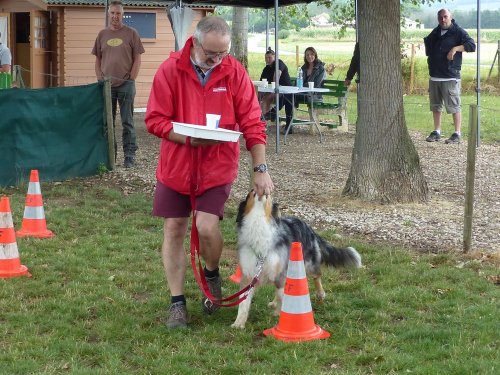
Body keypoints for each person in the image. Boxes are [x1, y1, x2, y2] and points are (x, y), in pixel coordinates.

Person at [145, 16, 274, 329]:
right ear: (195, 44)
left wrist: (260, 168)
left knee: (205, 226)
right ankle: (177, 303)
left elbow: (253, 123)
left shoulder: (234, 73)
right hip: (176, 168)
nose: (218, 60)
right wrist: (187, 138)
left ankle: (212, 273)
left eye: (223, 53)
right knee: (175, 227)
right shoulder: (171, 70)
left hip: (216, 168)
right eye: (211, 54)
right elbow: (155, 120)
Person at [92, 0, 145, 168]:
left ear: (123, 15)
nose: (115, 16)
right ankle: (110, 156)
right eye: (113, 13)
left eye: (118, 13)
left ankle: (129, 156)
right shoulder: (102, 35)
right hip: (106, 86)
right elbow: (98, 59)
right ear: (109, 14)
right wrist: (100, 77)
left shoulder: (131, 33)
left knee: (127, 121)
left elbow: (137, 58)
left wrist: (131, 78)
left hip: (126, 85)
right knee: (108, 122)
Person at [424, 9, 475, 144]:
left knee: (454, 106)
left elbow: (471, 45)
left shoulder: (458, 32)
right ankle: (437, 131)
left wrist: (455, 49)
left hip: (450, 76)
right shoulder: (436, 31)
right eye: (440, 17)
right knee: (435, 106)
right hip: (434, 76)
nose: (443, 20)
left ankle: (457, 133)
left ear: (451, 17)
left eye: (445, 17)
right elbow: (428, 45)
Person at [259, 48, 294, 134]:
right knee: (264, 98)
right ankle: (264, 121)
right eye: (266, 58)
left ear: (274, 57)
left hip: (285, 90)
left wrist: (274, 86)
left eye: (270, 57)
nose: (268, 59)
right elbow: (262, 81)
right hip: (275, 91)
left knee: (286, 97)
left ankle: (271, 114)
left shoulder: (279, 63)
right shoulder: (266, 68)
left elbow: (277, 75)